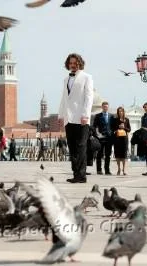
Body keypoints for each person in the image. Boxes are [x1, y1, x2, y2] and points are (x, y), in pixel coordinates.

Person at [58, 53, 94, 183]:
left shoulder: (87, 77)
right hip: (69, 118)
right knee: (72, 147)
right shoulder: (65, 79)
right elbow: (64, 98)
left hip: (81, 118)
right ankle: (76, 174)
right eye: (70, 63)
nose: (72, 65)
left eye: (75, 63)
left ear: (79, 63)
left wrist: (85, 115)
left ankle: (81, 175)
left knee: (81, 147)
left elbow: (89, 98)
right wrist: (60, 115)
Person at [93, 101, 114, 175]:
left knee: (108, 155)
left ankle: (107, 170)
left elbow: (113, 126)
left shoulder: (111, 116)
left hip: (109, 138)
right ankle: (99, 170)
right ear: (102, 107)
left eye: (106, 107)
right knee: (99, 154)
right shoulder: (98, 116)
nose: (105, 108)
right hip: (100, 138)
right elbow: (94, 126)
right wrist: (97, 134)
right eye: (104, 106)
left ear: (108, 107)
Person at [111, 107, 131, 176]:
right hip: (117, 139)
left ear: (123, 112)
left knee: (124, 155)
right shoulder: (115, 120)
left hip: (124, 139)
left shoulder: (127, 120)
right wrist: (117, 128)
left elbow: (129, 129)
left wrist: (124, 127)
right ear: (117, 112)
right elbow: (112, 128)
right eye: (119, 111)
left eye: (121, 111)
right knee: (118, 154)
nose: (120, 112)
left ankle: (124, 169)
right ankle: (119, 169)